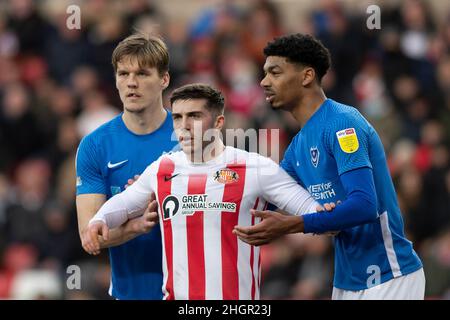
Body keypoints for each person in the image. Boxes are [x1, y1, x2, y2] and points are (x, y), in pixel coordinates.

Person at [83, 83, 321, 300]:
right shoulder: (161, 169)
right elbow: (123, 204)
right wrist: (99, 220)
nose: (184, 126)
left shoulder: (255, 168)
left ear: (218, 122)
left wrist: (320, 217)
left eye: (194, 116)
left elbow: (311, 209)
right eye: (177, 117)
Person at [233, 34, 425, 300]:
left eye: (274, 73)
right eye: (264, 74)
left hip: (389, 274)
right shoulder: (297, 147)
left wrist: (294, 225)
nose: (264, 82)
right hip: (347, 281)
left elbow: (364, 205)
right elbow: (264, 199)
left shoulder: (343, 124)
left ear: (307, 76)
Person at [75, 33, 178, 300]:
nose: (131, 83)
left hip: (189, 293)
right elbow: (90, 235)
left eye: (143, 74)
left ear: (164, 79)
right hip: (128, 292)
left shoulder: (191, 140)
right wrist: (136, 225)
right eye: (123, 74)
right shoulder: (95, 145)